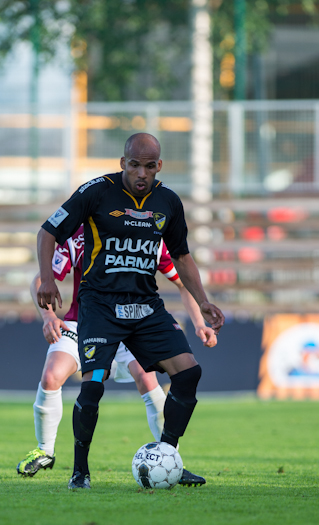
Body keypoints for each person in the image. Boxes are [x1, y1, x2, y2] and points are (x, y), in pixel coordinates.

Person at [37, 132, 225, 489]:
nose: (142, 173)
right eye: (135, 165)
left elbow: (182, 257)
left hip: (145, 305)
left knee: (188, 374)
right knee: (92, 385)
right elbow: (48, 232)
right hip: (100, 305)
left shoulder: (168, 201)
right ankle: (80, 472)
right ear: (123, 163)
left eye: (149, 166)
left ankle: (167, 455)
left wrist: (203, 302)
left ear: (159, 166)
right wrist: (47, 278)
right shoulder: (95, 192)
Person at [17, 225, 217, 485]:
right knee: (51, 375)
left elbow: (181, 281)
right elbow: (40, 280)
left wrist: (200, 323)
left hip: (133, 323)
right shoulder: (80, 237)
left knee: (147, 379)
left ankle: (171, 459)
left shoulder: (150, 238)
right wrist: (48, 316)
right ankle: (45, 450)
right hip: (86, 322)